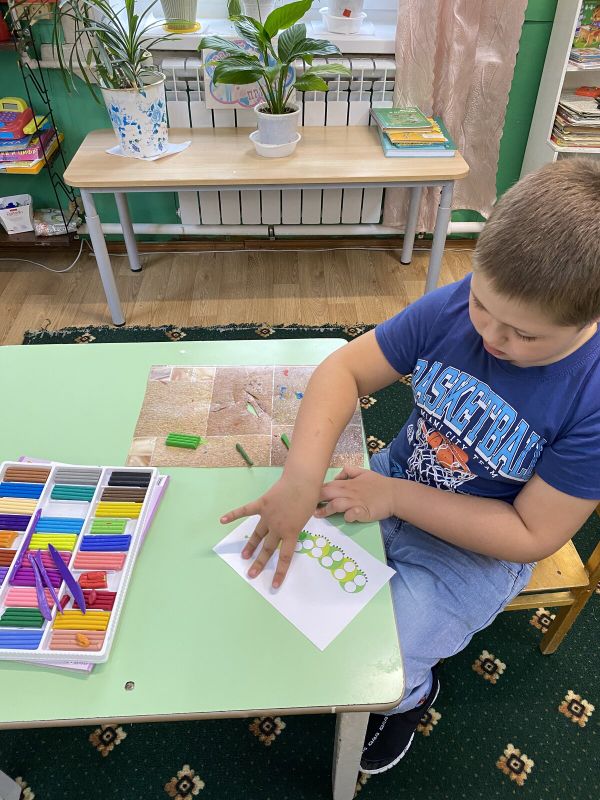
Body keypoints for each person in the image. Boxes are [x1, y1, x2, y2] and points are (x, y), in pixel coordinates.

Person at [220, 159, 600, 774]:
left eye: (524, 336)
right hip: (389, 480)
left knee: (381, 656)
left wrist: (395, 497)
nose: (491, 336)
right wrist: (300, 478)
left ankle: (412, 695)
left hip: (479, 549)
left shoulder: (591, 395)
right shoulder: (455, 307)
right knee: (281, 590)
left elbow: (532, 534)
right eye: (480, 303)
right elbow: (344, 369)